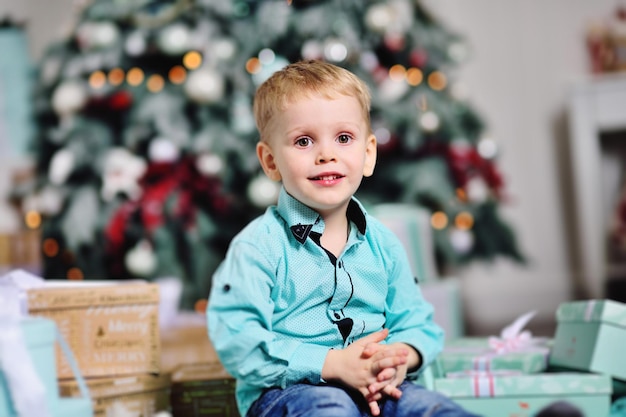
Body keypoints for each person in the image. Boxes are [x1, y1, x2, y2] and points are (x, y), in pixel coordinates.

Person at [207, 59, 478, 417]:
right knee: (328, 408)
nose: (326, 154)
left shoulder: (383, 243)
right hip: (290, 392)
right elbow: (238, 340)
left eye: (344, 138)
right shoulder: (258, 247)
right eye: (303, 141)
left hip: (378, 388)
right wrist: (331, 365)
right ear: (271, 162)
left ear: (367, 155)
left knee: (430, 408)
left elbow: (415, 322)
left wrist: (400, 357)